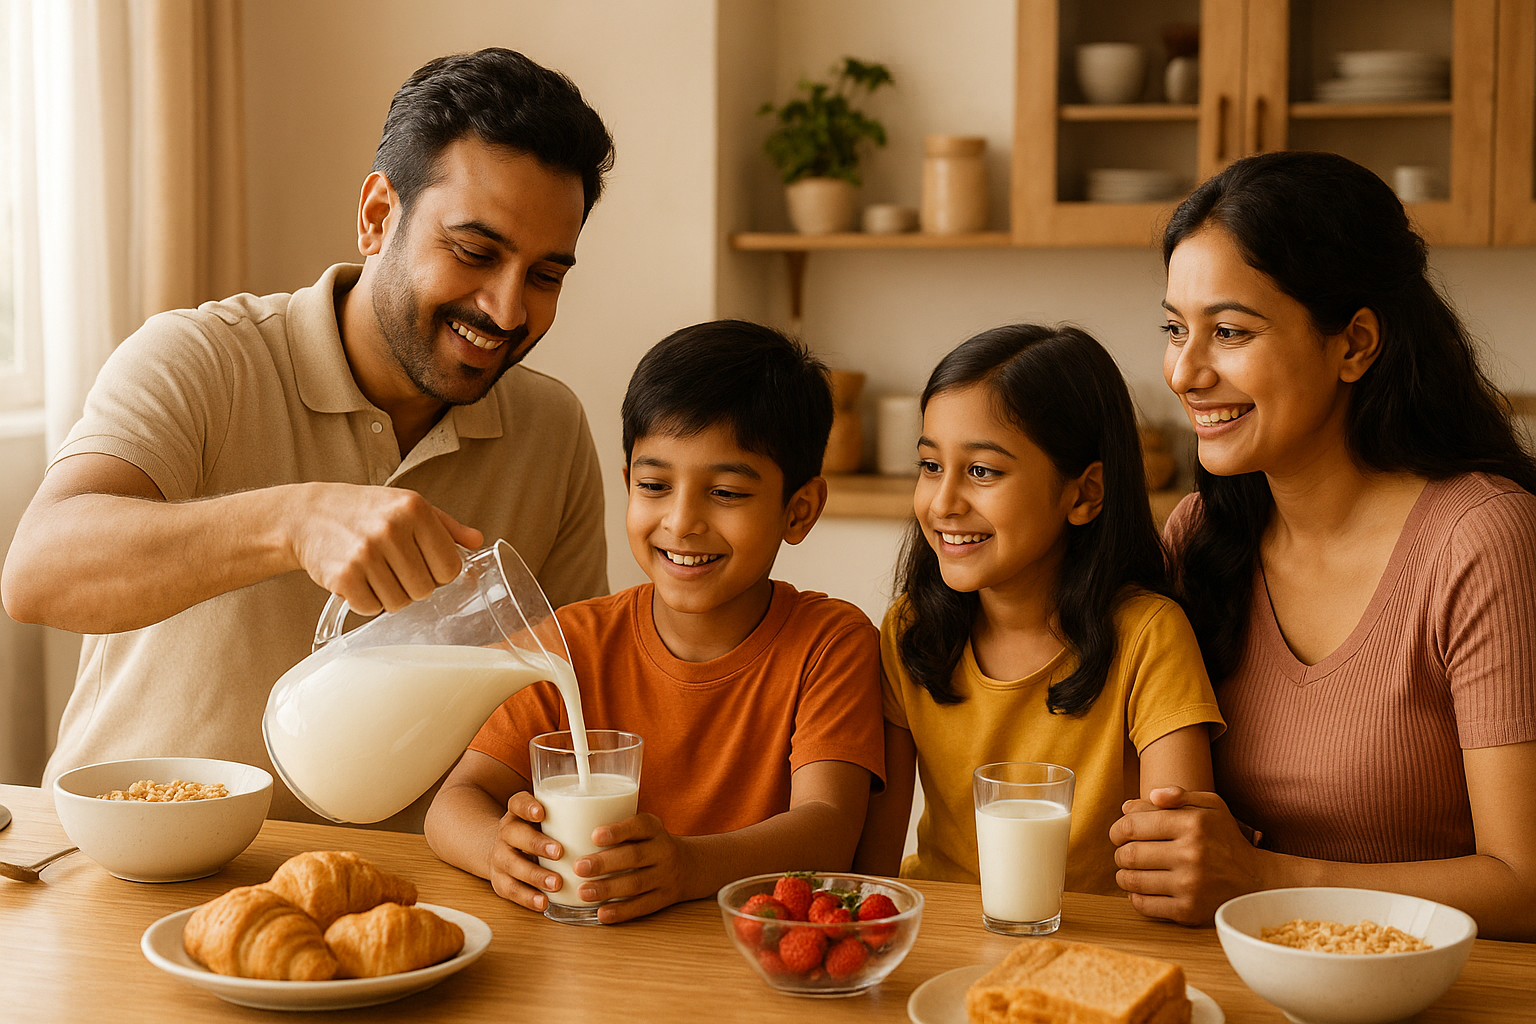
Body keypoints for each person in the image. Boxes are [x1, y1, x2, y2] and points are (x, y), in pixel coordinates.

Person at [1, 48, 616, 826]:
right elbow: (38, 573)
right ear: (376, 217)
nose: (506, 309)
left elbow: (558, 698)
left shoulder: (551, 430)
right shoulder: (201, 359)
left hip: (403, 900)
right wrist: (293, 521)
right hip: (132, 865)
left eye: (545, 275)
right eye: (474, 252)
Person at [1111, 151, 1536, 941]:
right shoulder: (1197, 539)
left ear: (1355, 344)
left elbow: (1525, 884)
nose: (1183, 372)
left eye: (1230, 331)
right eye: (1175, 329)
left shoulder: (1480, 539)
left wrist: (1271, 879)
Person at [424, 320, 885, 924]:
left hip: (754, 967)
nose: (681, 521)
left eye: (726, 493)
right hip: (586, 962)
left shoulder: (829, 643)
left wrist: (689, 866)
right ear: (628, 488)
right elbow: (453, 803)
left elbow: (827, 831)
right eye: (655, 485)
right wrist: (497, 851)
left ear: (798, 511)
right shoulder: (570, 643)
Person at [852, 324, 1223, 897]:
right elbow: (871, 878)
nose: (944, 502)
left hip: (1095, 943)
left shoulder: (1148, 635)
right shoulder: (911, 632)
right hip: (943, 935)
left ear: (1083, 494)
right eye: (930, 466)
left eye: (982, 471)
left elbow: (1171, 871)